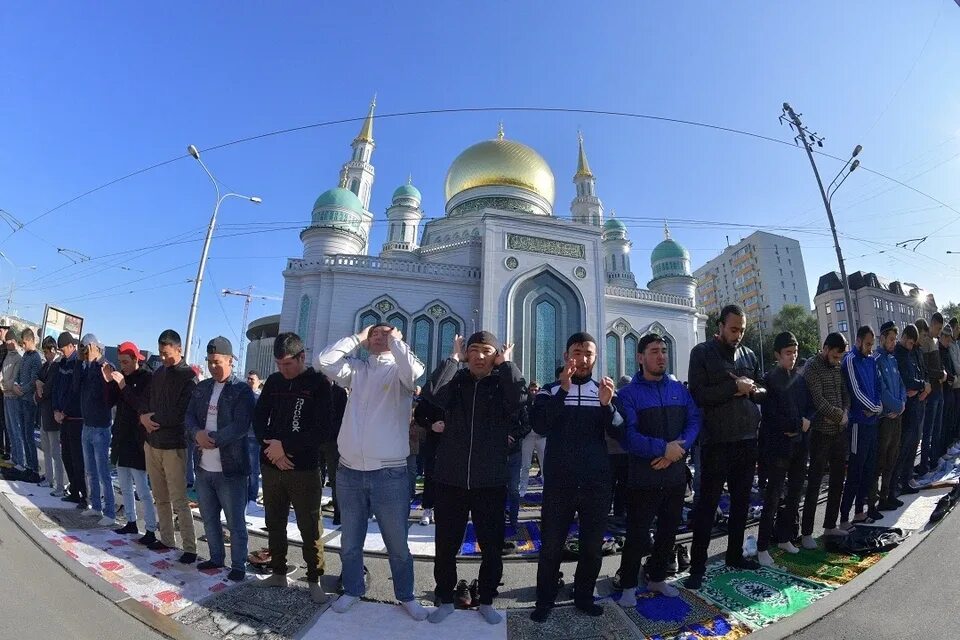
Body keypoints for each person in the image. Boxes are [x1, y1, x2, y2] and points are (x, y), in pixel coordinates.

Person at [316, 324, 428, 620]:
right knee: (350, 541)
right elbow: (323, 361)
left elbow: (414, 372)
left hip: (389, 473)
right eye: (375, 333)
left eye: (387, 333)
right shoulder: (356, 370)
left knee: (397, 543)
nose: (380, 337)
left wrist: (396, 342)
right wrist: (356, 337)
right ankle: (352, 589)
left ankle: (406, 595)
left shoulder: (401, 371)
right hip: (350, 471)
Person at [419, 331, 523, 626]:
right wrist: (453, 358)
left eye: (486, 350)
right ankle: (445, 597)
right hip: (450, 479)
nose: (479, 356)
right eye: (473, 350)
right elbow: (433, 392)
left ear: (496, 355)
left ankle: (487, 598)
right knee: (446, 545)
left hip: (489, 481)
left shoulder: (501, 384)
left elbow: (519, 399)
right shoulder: (457, 382)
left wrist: (505, 366)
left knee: (491, 547)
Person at [531, 333, 619, 622]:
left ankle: (583, 596)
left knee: (592, 549)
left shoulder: (603, 390)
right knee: (552, 547)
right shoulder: (550, 390)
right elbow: (540, 425)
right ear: (567, 356)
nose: (582, 359)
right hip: (560, 486)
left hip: (596, 485)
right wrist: (565, 391)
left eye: (588, 354)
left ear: (595, 358)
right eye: (577, 353)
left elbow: (620, 432)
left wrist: (608, 406)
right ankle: (544, 600)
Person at [614, 333, 700, 607]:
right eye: (654, 351)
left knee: (668, 532)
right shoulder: (628, 394)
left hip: (675, 476)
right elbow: (628, 436)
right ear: (640, 358)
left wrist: (678, 450)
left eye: (664, 350)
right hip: (644, 478)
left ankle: (657, 577)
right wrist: (663, 449)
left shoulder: (678, 389)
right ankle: (628, 584)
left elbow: (695, 419)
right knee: (638, 535)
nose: (661, 356)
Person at [685, 305, 765, 590]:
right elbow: (698, 394)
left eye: (742, 330)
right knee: (707, 507)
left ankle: (734, 556)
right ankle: (697, 566)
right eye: (733, 329)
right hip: (716, 443)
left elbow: (762, 388)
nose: (738, 335)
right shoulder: (702, 353)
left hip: (746, 441)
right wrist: (734, 388)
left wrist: (754, 390)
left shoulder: (749, 354)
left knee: (742, 504)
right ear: (719, 326)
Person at [252, 333, 333, 601]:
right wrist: (272, 450)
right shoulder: (274, 382)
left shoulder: (319, 384)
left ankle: (314, 578)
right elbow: (259, 419)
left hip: (303, 468)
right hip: (272, 465)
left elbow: (322, 430)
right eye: (278, 364)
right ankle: (278, 572)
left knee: (309, 525)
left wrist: (285, 446)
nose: (282, 370)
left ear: (301, 357)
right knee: (274, 522)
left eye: (288, 364)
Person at [186, 337, 256, 582]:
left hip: (231, 469)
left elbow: (240, 425)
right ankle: (216, 558)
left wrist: (212, 439)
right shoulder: (202, 388)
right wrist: (197, 434)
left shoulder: (241, 390)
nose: (214, 366)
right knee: (209, 517)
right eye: (210, 362)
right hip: (204, 468)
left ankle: (238, 564)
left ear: (230, 360)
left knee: (236, 522)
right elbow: (189, 418)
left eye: (218, 362)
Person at [140, 329, 198, 563]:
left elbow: (181, 413)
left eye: (167, 354)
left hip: (174, 446)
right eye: (161, 354)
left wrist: (154, 420)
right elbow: (146, 400)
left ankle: (190, 548)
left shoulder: (188, 377)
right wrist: (144, 417)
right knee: (160, 497)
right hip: (152, 443)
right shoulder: (158, 373)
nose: (163, 358)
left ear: (179, 349)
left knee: (179, 500)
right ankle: (166, 539)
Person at [756, 332, 810, 567]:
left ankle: (785, 537)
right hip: (777, 448)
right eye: (788, 353)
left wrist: (806, 420)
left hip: (799, 445)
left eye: (795, 352)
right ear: (777, 354)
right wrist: (797, 424)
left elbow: (810, 407)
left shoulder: (799, 379)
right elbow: (771, 416)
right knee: (773, 498)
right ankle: (761, 547)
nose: (793, 357)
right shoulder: (770, 380)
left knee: (795, 494)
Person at [801, 332, 851, 549]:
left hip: (839, 432)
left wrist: (846, 412)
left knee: (838, 480)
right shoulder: (812, 367)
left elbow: (845, 393)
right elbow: (817, 400)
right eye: (835, 356)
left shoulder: (838, 367)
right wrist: (840, 415)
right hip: (820, 434)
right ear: (825, 348)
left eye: (840, 357)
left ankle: (830, 525)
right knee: (814, 484)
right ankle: (806, 533)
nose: (837, 360)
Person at [104, 341, 158, 543]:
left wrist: (123, 386)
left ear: (136, 359)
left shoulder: (146, 378)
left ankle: (151, 529)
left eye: (126, 362)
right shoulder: (122, 378)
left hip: (137, 440)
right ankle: (131, 521)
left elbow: (140, 405)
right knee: (124, 484)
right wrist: (109, 382)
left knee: (142, 488)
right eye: (120, 362)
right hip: (120, 436)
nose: (123, 366)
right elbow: (109, 402)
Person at [839, 326, 883, 527]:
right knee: (855, 469)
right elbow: (855, 391)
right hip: (858, 423)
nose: (870, 348)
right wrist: (874, 407)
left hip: (872, 421)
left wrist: (878, 407)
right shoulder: (850, 360)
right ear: (857, 341)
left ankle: (859, 511)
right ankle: (844, 516)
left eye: (872, 345)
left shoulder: (871, 360)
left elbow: (877, 386)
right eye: (867, 344)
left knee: (869, 468)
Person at [78, 334, 117, 527]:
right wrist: (83, 364)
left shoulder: (105, 366)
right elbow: (78, 387)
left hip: (101, 427)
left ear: (94, 346)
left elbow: (107, 391)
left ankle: (110, 512)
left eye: (86, 349)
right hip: (87, 424)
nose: (85, 354)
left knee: (103, 472)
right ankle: (95, 506)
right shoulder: (86, 367)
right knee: (90, 471)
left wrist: (96, 362)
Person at [871, 322, 906, 513]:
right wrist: (896, 406)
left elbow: (900, 385)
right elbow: (882, 390)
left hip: (897, 416)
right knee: (880, 461)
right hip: (885, 418)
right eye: (890, 339)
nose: (893, 343)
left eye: (894, 339)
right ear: (882, 338)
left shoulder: (892, 360)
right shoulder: (876, 359)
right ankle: (874, 502)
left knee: (893, 458)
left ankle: (888, 496)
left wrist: (901, 405)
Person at [892, 324, 929, 499]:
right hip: (907, 407)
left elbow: (918, 376)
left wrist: (921, 385)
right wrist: (921, 385)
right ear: (905, 337)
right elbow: (907, 381)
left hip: (915, 402)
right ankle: (900, 481)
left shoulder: (908, 352)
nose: (911, 346)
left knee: (913, 443)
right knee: (905, 445)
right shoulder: (899, 353)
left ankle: (906, 478)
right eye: (910, 342)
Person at [52, 331, 86, 507]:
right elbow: (58, 389)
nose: (61, 352)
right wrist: (56, 409)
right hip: (63, 417)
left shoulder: (77, 364)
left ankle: (83, 494)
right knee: (66, 456)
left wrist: (64, 410)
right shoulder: (62, 363)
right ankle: (73, 490)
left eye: (63, 348)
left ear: (72, 346)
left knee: (77, 458)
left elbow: (75, 391)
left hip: (76, 418)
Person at [916, 316, 946, 475]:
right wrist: (940, 373)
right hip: (931, 392)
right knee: (928, 431)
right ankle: (924, 465)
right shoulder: (926, 341)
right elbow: (926, 368)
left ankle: (934, 460)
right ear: (933, 325)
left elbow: (938, 364)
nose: (940, 332)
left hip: (939, 389)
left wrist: (943, 372)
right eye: (939, 329)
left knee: (937, 429)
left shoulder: (934, 341)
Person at [36, 336, 65, 495]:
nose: (46, 355)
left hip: (53, 415)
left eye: (48, 352)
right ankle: (49, 477)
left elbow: (48, 389)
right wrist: (39, 386)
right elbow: (38, 380)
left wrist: (41, 388)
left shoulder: (56, 366)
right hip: (44, 412)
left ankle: (59, 485)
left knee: (55, 452)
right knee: (46, 449)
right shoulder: (45, 366)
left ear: (54, 350)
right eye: (44, 352)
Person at [1, 329, 30, 481]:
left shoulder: (18, 358)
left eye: (7, 342)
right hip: (6, 394)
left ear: (13, 341)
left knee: (15, 428)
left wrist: (6, 386)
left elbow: (15, 378)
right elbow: (4, 373)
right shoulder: (8, 356)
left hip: (13, 396)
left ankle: (20, 460)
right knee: (9, 427)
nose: (6, 345)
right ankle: (14, 457)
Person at [14, 328, 42, 481]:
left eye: (24, 343)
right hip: (21, 398)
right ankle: (28, 466)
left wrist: (22, 390)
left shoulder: (36, 358)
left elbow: (33, 381)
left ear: (31, 340)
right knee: (24, 434)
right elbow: (19, 373)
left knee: (29, 436)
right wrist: (16, 384)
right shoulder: (25, 355)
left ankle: (34, 469)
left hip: (29, 401)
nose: (23, 346)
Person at [413, 393, 444, 526]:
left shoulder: (460, 388)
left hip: (455, 442)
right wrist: (431, 425)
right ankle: (427, 509)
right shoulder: (432, 393)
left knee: (451, 479)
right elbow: (419, 415)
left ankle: (443, 511)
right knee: (431, 476)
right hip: (434, 441)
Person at [518, 381, 546, 499]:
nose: (534, 392)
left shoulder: (543, 402)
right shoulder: (525, 403)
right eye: (532, 390)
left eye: (536, 390)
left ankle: (547, 489)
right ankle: (522, 489)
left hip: (541, 435)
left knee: (544, 463)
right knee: (525, 464)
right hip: (528, 435)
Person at [937, 326, 956, 462]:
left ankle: (947, 447)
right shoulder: (938, 350)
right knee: (942, 425)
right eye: (948, 340)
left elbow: (951, 367)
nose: (949, 343)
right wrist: (950, 378)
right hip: (942, 390)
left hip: (950, 389)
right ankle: (941, 451)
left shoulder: (947, 350)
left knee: (950, 421)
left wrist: (952, 377)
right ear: (942, 337)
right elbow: (942, 369)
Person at [245, 370, 262, 506]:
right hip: (242, 435)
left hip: (254, 436)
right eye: (248, 379)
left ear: (259, 381)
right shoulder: (243, 395)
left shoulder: (260, 397)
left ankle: (252, 496)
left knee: (253, 468)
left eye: (253, 379)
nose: (250, 381)